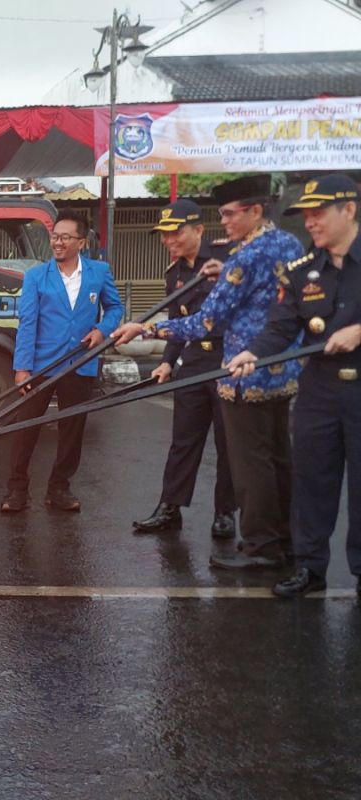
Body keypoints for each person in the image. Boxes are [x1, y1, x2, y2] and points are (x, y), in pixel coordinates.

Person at [114, 175, 304, 570]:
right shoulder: (288, 243)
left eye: (231, 214)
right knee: (276, 460)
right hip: (279, 369)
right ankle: (285, 541)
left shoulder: (245, 256)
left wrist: (146, 329)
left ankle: (260, 546)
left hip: (241, 372)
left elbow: (205, 321)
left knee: (250, 465)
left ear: (256, 210)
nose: (226, 222)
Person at [225, 174, 361, 596]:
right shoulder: (303, 272)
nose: (310, 222)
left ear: (349, 210)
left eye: (318, 213)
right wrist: (252, 353)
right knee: (312, 482)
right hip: (319, 392)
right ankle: (309, 567)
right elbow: (282, 326)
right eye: (306, 214)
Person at [1, 209, 123, 514]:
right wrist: (22, 368)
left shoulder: (99, 272)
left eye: (65, 237)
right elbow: (27, 322)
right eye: (54, 237)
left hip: (80, 363)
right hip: (40, 366)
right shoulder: (36, 276)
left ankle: (59, 488)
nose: (57, 242)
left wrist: (102, 330)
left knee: (72, 430)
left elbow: (115, 308)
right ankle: (17, 489)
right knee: (26, 427)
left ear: (81, 242)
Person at [132, 200, 237, 539]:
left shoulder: (225, 259)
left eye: (175, 232)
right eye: (164, 234)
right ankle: (170, 507)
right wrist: (166, 361)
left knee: (228, 442)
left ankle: (225, 513)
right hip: (193, 361)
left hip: (227, 360)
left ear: (199, 230)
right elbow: (178, 322)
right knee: (183, 440)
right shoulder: (174, 273)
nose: (168, 240)